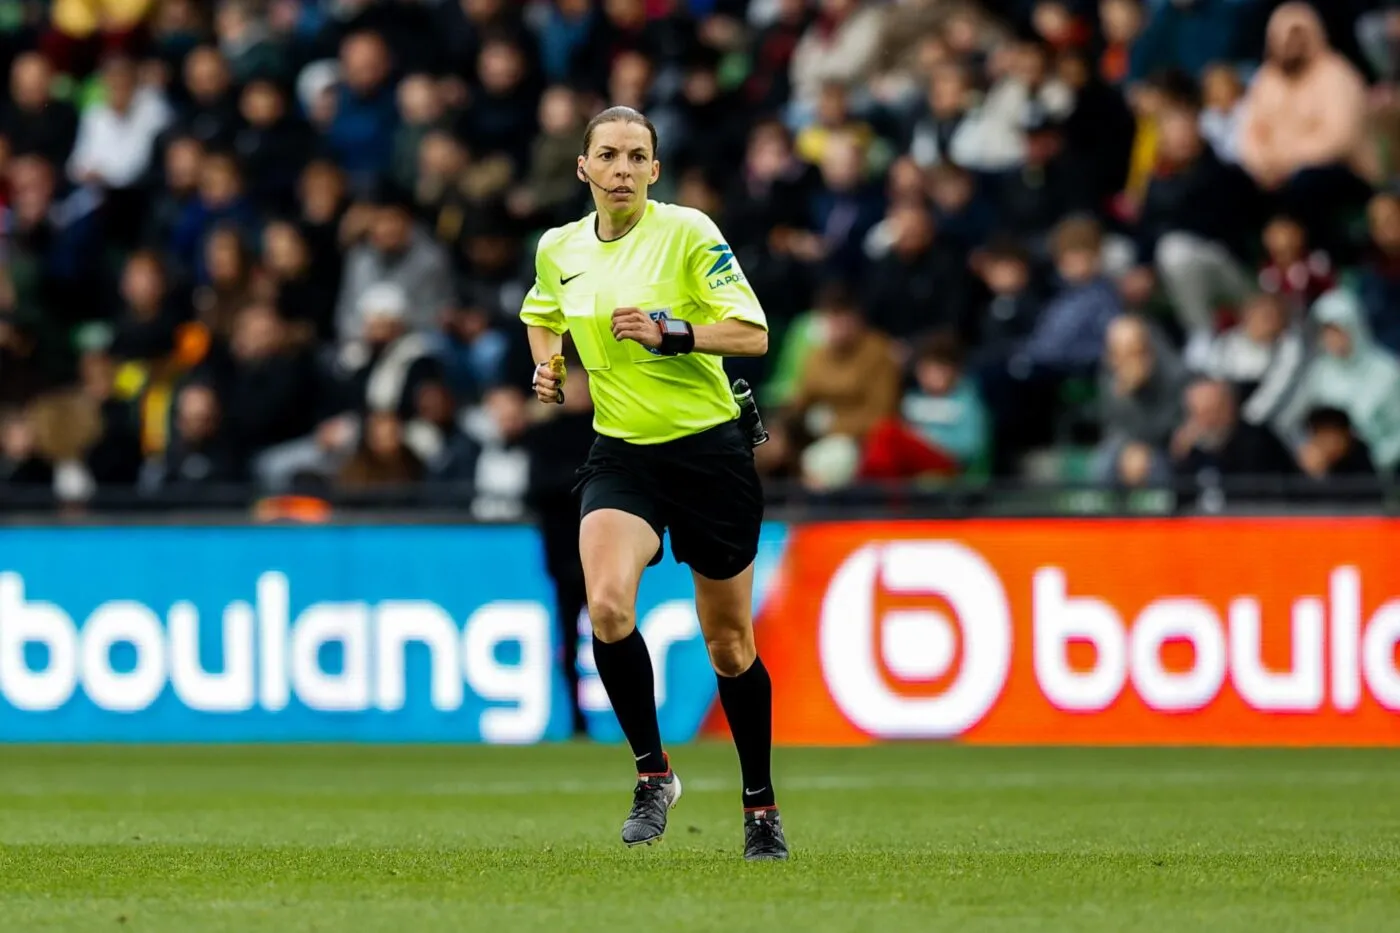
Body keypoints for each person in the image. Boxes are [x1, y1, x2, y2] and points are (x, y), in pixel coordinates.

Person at [519, 106, 787, 862]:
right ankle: (653, 773)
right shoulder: (559, 248)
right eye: (608, 155)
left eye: (638, 156)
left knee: (730, 644)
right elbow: (543, 315)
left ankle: (760, 804)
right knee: (605, 606)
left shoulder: (690, 232)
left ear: (655, 170)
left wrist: (675, 332)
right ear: (584, 168)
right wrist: (549, 363)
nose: (623, 169)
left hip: (709, 453)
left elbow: (754, 332)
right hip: (623, 452)